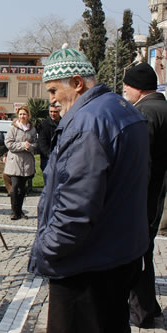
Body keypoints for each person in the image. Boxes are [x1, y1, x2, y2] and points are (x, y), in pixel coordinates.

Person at [28, 45, 149, 333]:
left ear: (78, 83)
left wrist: (44, 252)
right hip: (116, 255)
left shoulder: (87, 123)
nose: (52, 100)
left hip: (85, 267)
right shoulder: (120, 109)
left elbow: (75, 209)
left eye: (54, 90)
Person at [123, 62, 167, 328]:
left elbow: (141, 162)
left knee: (138, 254)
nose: (124, 92)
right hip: (157, 195)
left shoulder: (145, 112)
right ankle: (150, 305)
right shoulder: (161, 107)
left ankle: (142, 313)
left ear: (136, 89)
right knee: (145, 252)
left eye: (126, 87)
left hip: (145, 197)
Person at [3, 105, 37, 220]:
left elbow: (36, 144)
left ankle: (20, 211)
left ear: (28, 115)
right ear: (18, 115)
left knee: (22, 189)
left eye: (24, 114)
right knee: (14, 187)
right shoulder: (13, 128)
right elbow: (9, 144)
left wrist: (30, 146)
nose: (22, 116)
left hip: (26, 163)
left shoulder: (32, 129)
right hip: (15, 162)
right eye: (21, 114)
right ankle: (14, 211)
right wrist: (23, 145)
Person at [37, 102, 61, 173]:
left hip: (61, 158)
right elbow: (42, 144)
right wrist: (51, 156)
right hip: (47, 159)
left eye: (55, 112)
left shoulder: (64, 123)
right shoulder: (44, 125)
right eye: (51, 111)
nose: (53, 114)